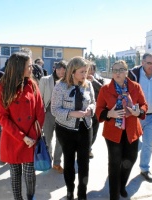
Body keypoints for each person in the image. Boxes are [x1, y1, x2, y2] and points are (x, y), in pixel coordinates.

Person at [0, 52, 45, 200]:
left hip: (31, 138)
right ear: (18, 67)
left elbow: (40, 112)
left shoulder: (32, 84)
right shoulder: (2, 87)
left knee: (30, 175)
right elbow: (2, 117)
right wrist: (22, 137)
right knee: (15, 173)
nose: (32, 68)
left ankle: (30, 196)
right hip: (13, 137)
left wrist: (32, 136)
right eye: (28, 65)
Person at [96, 60, 147, 200]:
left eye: (120, 70)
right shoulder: (105, 89)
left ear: (126, 71)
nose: (117, 73)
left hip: (132, 131)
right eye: (114, 70)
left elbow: (143, 105)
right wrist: (109, 114)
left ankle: (122, 185)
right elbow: (99, 109)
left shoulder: (135, 87)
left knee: (130, 159)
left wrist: (139, 112)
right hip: (113, 132)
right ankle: (114, 195)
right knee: (114, 163)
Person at [51, 56, 95, 200]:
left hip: (85, 129)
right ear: (72, 71)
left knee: (84, 164)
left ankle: (82, 194)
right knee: (69, 162)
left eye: (86, 71)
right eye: (82, 72)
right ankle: (70, 191)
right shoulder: (60, 86)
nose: (85, 75)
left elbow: (94, 102)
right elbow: (55, 110)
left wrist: (90, 109)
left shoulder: (88, 84)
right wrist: (72, 113)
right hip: (66, 131)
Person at [128, 52, 152, 183]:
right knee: (131, 145)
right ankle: (125, 169)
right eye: (149, 63)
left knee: (148, 145)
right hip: (135, 117)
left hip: (151, 116)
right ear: (142, 62)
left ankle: (144, 169)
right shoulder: (133, 74)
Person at [39, 60, 67, 174]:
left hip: (62, 114)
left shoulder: (68, 82)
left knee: (60, 140)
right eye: (59, 69)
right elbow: (39, 98)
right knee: (48, 139)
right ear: (55, 69)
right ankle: (48, 160)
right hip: (48, 114)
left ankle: (57, 163)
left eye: (64, 70)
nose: (61, 72)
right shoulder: (45, 80)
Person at [87, 61, 105, 158]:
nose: (90, 72)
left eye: (91, 69)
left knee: (94, 131)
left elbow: (104, 90)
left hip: (97, 109)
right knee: (85, 131)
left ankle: (89, 148)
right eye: (88, 69)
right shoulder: (81, 79)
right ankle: (85, 149)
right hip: (85, 110)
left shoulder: (100, 79)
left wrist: (94, 81)